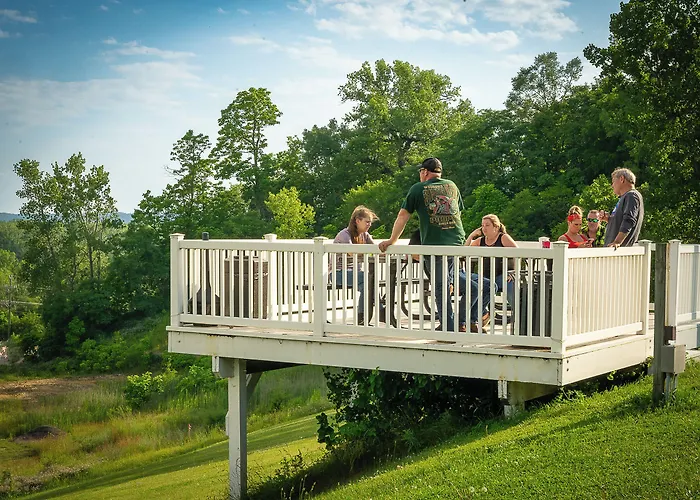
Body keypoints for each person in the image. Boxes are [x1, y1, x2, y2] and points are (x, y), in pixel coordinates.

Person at [378, 157, 472, 332]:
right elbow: (457, 212)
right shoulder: (451, 185)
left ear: (425, 172)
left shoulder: (417, 188)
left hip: (435, 245)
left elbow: (403, 216)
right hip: (457, 243)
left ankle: (448, 328)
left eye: (420, 171)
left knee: (440, 287)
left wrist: (392, 240)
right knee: (452, 282)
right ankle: (458, 319)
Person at [468, 214, 518, 332]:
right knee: (476, 288)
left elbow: (517, 252)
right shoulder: (481, 241)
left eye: (487, 225)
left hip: (503, 275)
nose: (484, 228)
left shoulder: (503, 238)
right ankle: (483, 315)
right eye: (482, 225)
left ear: (496, 227)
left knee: (510, 288)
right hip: (486, 277)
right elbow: (465, 250)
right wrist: (472, 235)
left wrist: (514, 272)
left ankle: (519, 317)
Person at [332, 205, 378, 325]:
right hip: (338, 273)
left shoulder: (365, 235)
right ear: (357, 221)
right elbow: (352, 252)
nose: (369, 225)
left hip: (355, 274)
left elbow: (377, 249)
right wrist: (369, 251)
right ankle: (382, 311)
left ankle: (361, 318)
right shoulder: (344, 234)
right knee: (368, 278)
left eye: (370, 222)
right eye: (367, 222)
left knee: (367, 284)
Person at [600, 168, 644, 248]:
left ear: (622, 179)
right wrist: (609, 219)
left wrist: (617, 242)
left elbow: (629, 220)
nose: (612, 185)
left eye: (613, 181)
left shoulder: (631, 195)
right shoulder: (626, 197)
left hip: (619, 251)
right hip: (614, 250)